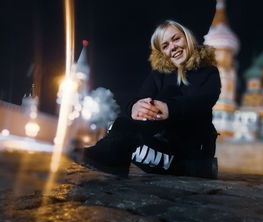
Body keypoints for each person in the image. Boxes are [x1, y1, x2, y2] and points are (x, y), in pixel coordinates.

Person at [81, 20, 221, 178]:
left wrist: (169, 108)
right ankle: (118, 160)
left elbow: (203, 102)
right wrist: (135, 106)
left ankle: (195, 167)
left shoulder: (209, 72)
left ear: (187, 38)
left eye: (176, 39)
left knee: (168, 93)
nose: (172, 47)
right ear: (162, 52)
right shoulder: (159, 74)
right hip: (163, 144)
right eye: (165, 46)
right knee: (121, 126)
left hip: (193, 145)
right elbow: (141, 99)